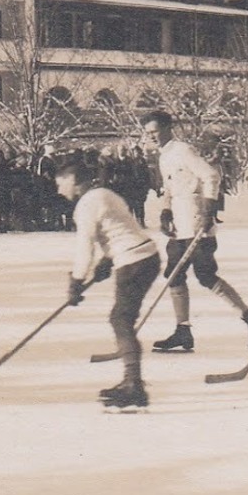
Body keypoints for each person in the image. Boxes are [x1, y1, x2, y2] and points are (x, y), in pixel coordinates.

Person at [143, 110, 248, 354]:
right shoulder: (164, 155)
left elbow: (211, 175)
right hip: (180, 224)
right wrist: (166, 212)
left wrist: (209, 210)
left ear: (168, 128)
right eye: (148, 133)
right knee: (174, 274)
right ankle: (183, 330)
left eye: (155, 131)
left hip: (197, 221)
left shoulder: (182, 150)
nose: (152, 137)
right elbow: (169, 187)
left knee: (205, 275)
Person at [58, 157, 162, 409]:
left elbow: (85, 246)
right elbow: (121, 226)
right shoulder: (105, 194)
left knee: (120, 319)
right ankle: (132, 382)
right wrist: (108, 259)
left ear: (73, 181)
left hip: (133, 261)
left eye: (60, 183)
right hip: (146, 255)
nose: (58, 190)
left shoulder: (85, 206)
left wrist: (76, 281)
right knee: (122, 318)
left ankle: (133, 385)